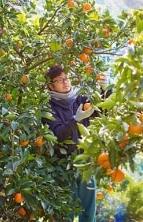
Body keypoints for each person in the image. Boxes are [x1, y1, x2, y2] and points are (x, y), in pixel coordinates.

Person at [42, 65, 110, 222]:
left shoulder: (80, 99)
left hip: (85, 162)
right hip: (63, 166)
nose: (65, 82)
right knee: (67, 212)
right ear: (50, 85)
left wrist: (105, 90)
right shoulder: (48, 107)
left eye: (66, 78)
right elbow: (58, 134)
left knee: (89, 212)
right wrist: (75, 120)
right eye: (60, 80)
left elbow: (103, 110)